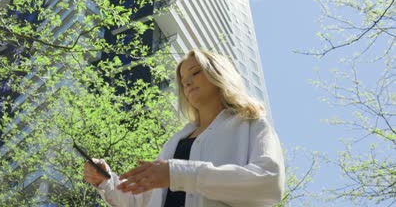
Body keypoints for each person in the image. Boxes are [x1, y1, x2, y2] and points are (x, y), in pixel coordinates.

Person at [83, 49, 285, 207]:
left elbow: (269, 183)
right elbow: (140, 202)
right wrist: (106, 181)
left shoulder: (252, 124)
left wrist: (178, 175)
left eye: (195, 72)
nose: (186, 82)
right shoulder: (175, 141)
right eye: (182, 80)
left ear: (218, 74)